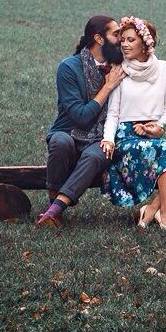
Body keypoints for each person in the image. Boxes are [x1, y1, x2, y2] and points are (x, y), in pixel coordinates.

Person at [101, 16, 166, 231]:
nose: (124, 45)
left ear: (146, 44)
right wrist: (108, 139)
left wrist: (158, 125)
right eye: (123, 40)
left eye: (131, 40)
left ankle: (152, 208)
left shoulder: (163, 68)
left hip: (152, 136)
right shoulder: (119, 70)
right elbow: (113, 114)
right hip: (126, 139)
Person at [35, 15, 126, 227]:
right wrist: (107, 86)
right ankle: (52, 200)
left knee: (98, 154)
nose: (121, 39)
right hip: (68, 130)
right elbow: (81, 117)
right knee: (60, 142)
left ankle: (54, 211)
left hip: (100, 137)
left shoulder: (120, 67)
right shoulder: (68, 67)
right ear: (99, 38)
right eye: (116, 34)